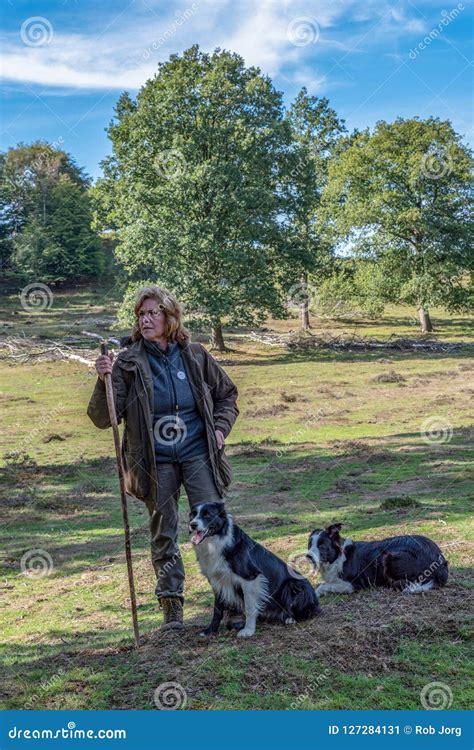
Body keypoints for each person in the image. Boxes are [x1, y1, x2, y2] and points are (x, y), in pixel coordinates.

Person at [87, 286, 239, 631]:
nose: (146, 319)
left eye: (154, 312)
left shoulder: (196, 355)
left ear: (171, 317)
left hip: (199, 454)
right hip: (155, 463)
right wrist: (104, 380)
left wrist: (218, 429)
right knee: (164, 533)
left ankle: (231, 603)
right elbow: (104, 418)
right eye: (141, 314)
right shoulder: (127, 362)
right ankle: (172, 609)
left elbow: (227, 394)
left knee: (215, 528)